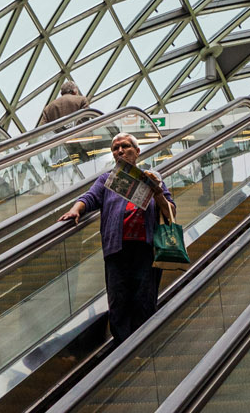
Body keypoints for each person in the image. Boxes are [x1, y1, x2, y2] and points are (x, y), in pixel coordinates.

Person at [58, 133, 175, 342]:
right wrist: (76, 209)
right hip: (116, 251)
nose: (119, 151)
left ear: (137, 152)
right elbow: (90, 197)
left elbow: (170, 211)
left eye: (125, 146)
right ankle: (122, 355)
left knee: (144, 302)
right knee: (118, 304)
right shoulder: (107, 179)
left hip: (146, 251)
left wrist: (157, 191)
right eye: (115, 148)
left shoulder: (152, 177)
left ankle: (142, 349)